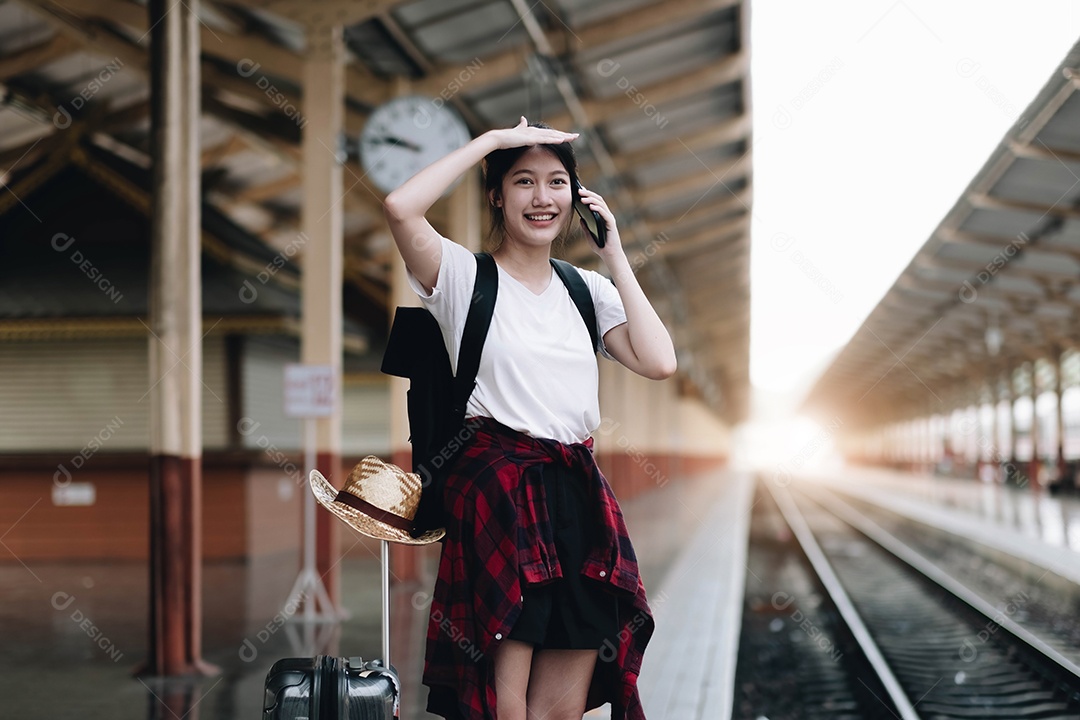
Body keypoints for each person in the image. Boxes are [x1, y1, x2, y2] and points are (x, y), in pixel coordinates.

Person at [383, 117, 677, 720]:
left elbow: (660, 361)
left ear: (576, 197)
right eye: (523, 181)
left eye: (556, 183)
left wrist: (615, 254)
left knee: (560, 711)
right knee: (503, 704)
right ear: (497, 194)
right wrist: (491, 142)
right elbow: (400, 206)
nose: (542, 198)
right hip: (501, 498)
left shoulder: (584, 289)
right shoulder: (464, 278)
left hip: (578, 497)